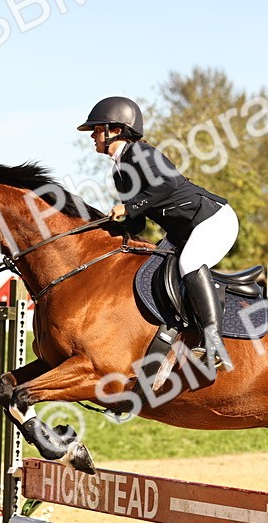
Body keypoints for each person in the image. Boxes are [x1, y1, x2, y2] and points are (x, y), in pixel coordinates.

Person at [80, 95, 237, 371]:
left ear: (115, 130)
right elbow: (138, 223)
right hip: (186, 231)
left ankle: (214, 344)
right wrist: (104, 229)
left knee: (189, 264)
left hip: (213, 221)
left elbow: (167, 185)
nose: (93, 136)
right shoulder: (119, 171)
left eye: (96, 129)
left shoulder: (141, 154)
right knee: (156, 268)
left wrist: (128, 207)